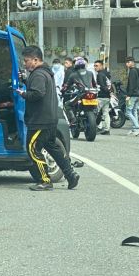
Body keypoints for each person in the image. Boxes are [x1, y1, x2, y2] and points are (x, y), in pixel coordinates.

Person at [16, 46, 80, 191]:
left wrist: (23, 94)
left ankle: (44, 181)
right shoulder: (45, 73)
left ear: (35, 60)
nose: (25, 64)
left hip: (40, 121)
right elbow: (38, 89)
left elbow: (37, 93)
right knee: (53, 148)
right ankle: (71, 175)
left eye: (26, 61)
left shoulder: (38, 74)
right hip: (50, 120)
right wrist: (26, 81)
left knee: (33, 149)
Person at [124, 56, 139, 136]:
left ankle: (137, 127)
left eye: (128, 62)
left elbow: (131, 84)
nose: (126, 64)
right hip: (137, 94)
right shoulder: (136, 71)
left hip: (132, 95)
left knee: (128, 112)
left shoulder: (132, 71)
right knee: (134, 111)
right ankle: (135, 129)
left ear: (132, 62)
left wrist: (128, 95)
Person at [93, 60, 112, 135]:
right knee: (105, 113)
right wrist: (109, 92)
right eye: (94, 66)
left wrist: (104, 90)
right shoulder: (107, 73)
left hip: (101, 96)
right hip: (107, 97)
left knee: (95, 112)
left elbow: (102, 85)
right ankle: (107, 129)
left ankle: (96, 127)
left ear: (101, 66)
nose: (95, 67)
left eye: (97, 66)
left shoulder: (100, 75)